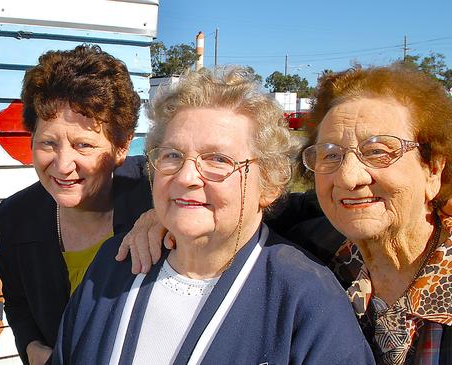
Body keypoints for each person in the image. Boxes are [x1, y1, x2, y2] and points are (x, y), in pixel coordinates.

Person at [52, 67, 373, 364]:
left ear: (271, 183)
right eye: (173, 155)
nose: (185, 176)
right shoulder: (115, 263)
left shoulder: (307, 301)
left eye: (218, 159)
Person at [0, 45, 151, 365]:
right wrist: (30, 348)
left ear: (120, 147)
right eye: (48, 143)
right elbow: (18, 303)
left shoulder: (157, 191)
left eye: (83, 145)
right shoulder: (14, 218)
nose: (63, 165)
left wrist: (165, 216)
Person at [300, 65, 452, 364]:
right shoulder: (314, 251)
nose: (348, 177)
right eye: (331, 154)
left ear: (433, 168)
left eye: (377, 151)